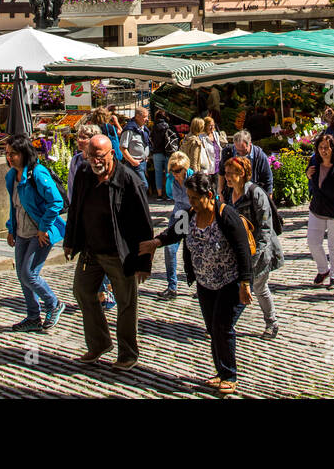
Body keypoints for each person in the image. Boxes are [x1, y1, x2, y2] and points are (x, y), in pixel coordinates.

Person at [141, 171, 253, 394]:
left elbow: (243, 251)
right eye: (189, 197)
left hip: (229, 281)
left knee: (223, 326)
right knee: (213, 328)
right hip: (205, 282)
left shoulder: (226, 215)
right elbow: (173, 233)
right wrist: (155, 242)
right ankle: (221, 372)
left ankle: (230, 375)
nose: (191, 202)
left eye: (195, 197)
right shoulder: (188, 215)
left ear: (209, 195)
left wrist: (245, 283)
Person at [64, 134, 154, 369]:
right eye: (91, 155)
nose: (95, 160)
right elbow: (75, 209)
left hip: (120, 253)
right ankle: (99, 343)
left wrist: (144, 263)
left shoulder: (128, 179)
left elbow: (144, 224)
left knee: (126, 304)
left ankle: (127, 353)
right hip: (91, 250)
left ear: (112, 153)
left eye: (100, 155)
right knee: (82, 292)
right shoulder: (84, 173)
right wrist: (70, 241)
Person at [4, 135, 66, 331]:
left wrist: (43, 228)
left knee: (29, 274)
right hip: (22, 231)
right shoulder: (11, 176)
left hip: (41, 232)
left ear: (24, 154)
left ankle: (53, 303)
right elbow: (15, 206)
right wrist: (11, 229)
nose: (9, 158)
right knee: (22, 275)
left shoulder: (38, 174)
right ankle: (33, 316)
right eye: (7, 154)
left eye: (13, 154)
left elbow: (56, 202)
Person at [222, 155, 282, 339]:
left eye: (231, 174)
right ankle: (225, 323)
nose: (227, 177)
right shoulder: (228, 193)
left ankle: (271, 322)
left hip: (260, 251)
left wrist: (253, 257)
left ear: (242, 173)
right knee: (238, 286)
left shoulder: (256, 193)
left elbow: (265, 228)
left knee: (258, 287)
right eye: (226, 173)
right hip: (240, 249)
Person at [306, 132, 334, 289]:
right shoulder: (315, 161)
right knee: (312, 242)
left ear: (333, 149)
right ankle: (323, 269)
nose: (323, 151)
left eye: (326, 148)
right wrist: (308, 174)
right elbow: (310, 175)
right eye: (320, 147)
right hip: (317, 208)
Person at [158, 151, 193, 301]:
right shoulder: (171, 179)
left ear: (186, 168)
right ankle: (172, 286)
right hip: (179, 215)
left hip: (192, 216)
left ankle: (200, 286)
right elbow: (170, 194)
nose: (175, 173)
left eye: (178, 170)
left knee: (193, 252)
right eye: (173, 170)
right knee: (170, 248)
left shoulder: (194, 178)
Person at [220, 129, 274, 198]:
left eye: (244, 150)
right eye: (238, 151)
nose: (241, 154)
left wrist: (269, 199)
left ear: (250, 144)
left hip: (253, 194)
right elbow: (221, 173)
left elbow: (268, 178)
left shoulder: (259, 156)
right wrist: (221, 192)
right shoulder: (228, 152)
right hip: (232, 192)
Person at [149, 109, 180, 201]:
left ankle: (159, 194)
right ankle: (169, 194)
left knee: (158, 173)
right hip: (168, 152)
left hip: (157, 153)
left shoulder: (154, 127)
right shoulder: (169, 126)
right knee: (169, 174)